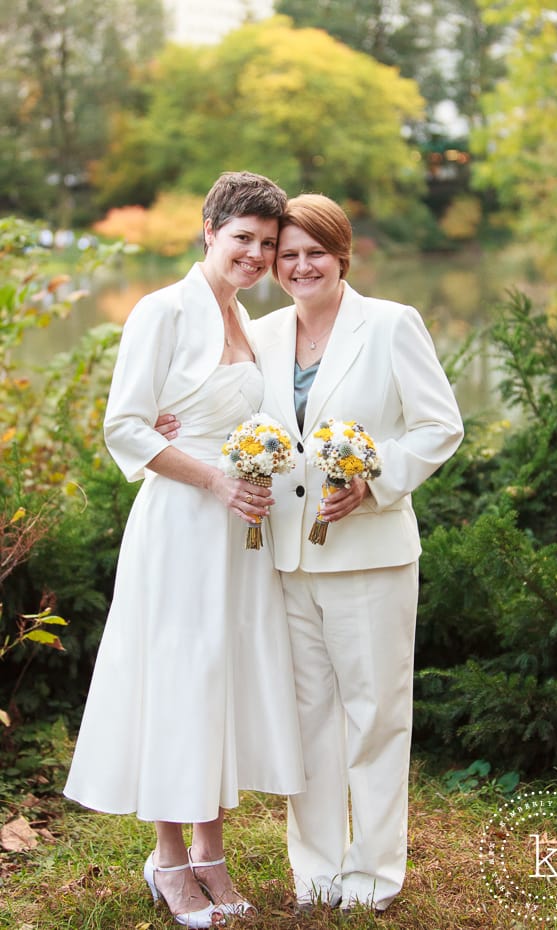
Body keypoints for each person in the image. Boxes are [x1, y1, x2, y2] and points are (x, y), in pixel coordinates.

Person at [157, 193, 464, 914]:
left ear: (341, 255)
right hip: (286, 559)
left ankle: (372, 876)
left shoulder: (391, 325)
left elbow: (439, 426)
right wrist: (177, 420)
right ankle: (318, 873)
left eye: (312, 253)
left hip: (371, 557)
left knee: (375, 718)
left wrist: (375, 479)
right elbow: (227, 408)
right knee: (311, 722)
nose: (297, 266)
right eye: (284, 253)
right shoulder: (259, 333)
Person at [64, 172, 305, 928]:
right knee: (178, 676)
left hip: (237, 533)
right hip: (181, 520)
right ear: (208, 230)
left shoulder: (250, 322)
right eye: (243, 239)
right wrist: (214, 479)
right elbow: (127, 428)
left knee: (220, 679)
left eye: (268, 245)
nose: (256, 255)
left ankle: (211, 854)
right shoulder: (160, 310)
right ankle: (169, 862)